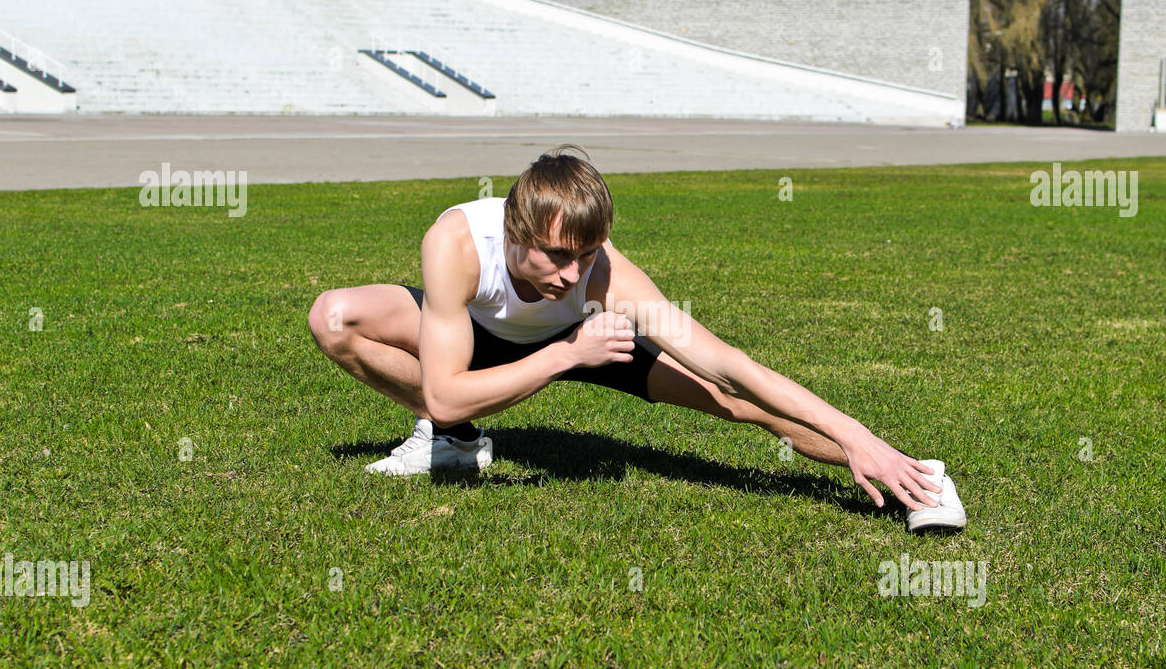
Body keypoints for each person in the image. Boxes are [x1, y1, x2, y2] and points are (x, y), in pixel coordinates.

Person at [308, 145, 966, 532]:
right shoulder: (455, 243)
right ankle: (451, 451)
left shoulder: (602, 276)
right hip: (509, 339)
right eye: (558, 255)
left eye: (587, 254)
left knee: (732, 401)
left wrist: (856, 433)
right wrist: (562, 356)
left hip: (590, 342)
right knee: (334, 318)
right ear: (515, 232)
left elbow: (729, 366)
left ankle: (913, 480)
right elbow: (447, 394)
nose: (573, 273)